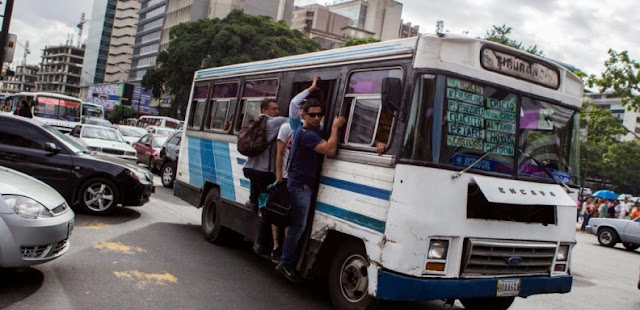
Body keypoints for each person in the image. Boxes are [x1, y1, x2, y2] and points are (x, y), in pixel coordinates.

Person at [276, 99, 346, 281]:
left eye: (319, 115)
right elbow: (330, 150)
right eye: (312, 114)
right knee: (298, 227)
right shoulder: (305, 133)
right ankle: (286, 263)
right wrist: (336, 127)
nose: (316, 118)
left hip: (304, 184)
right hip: (300, 186)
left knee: (298, 225)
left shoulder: (314, 131)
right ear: (303, 115)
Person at [243, 98, 288, 258]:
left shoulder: (256, 122)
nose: (277, 112)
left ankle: (253, 202)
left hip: (250, 169)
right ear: (264, 110)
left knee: (258, 202)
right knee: (267, 210)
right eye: (273, 109)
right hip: (263, 172)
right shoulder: (274, 122)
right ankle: (262, 244)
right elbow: (295, 120)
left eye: (277, 109)